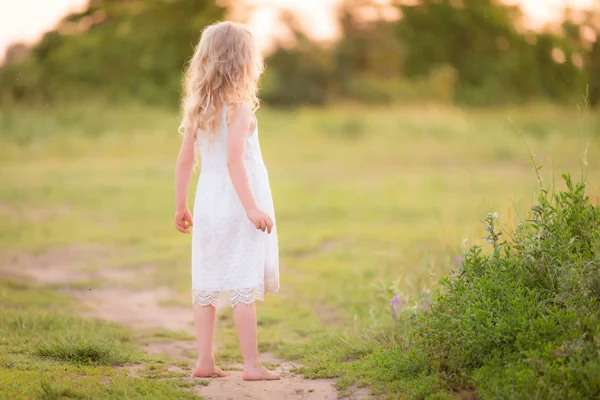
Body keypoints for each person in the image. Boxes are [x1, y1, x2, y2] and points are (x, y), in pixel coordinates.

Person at [173, 21, 280, 381]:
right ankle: (251, 366)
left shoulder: (198, 108)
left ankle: (205, 361)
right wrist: (251, 207)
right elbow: (236, 160)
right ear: (245, 64)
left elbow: (186, 160)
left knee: (205, 283)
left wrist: (180, 205)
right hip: (237, 203)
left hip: (207, 201)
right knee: (242, 284)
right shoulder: (240, 109)